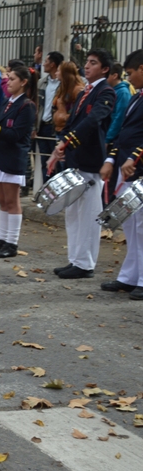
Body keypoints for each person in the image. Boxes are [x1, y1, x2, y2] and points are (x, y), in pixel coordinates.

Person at [47, 49, 116, 279]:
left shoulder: (105, 92)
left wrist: (68, 142)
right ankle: (75, 259)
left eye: (93, 63)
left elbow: (93, 120)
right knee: (73, 213)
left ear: (105, 69)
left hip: (90, 160)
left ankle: (85, 264)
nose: (86, 66)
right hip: (76, 160)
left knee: (88, 215)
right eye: (86, 62)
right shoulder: (86, 91)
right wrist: (62, 145)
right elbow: (72, 122)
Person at [0, 66, 37, 258]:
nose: (8, 82)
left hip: (13, 156)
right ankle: (2, 238)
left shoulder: (27, 106)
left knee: (12, 201)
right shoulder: (7, 102)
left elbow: (17, 134)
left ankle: (12, 242)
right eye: (8, 78)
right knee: (2, 201)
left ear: (23, 82)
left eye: (12, 79)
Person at [99, 49, 143, 299]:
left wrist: (134, 157)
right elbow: (125, 134)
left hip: (139, 169)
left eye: (131, 73)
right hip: (128, 170)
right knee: (131, 227)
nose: (129, 78)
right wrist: (111, 158)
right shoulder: (136, 98)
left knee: (142, 228)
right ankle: (130, 276)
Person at [37, 51, 64, 182]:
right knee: (45, 161)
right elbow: (37, 105)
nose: (43, 64)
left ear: (53, 64)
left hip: (55, 127)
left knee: (57, 162)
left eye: (46, 61)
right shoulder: (41, 82)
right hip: (42, 126)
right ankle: (46, 189)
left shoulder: (63, 84)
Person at [106, 62, 132, 146]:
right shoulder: (111, 90)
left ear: (115, 76)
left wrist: (107, 139)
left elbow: (119, 118)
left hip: (114, 140)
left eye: (107, 75)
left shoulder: (123, 93)